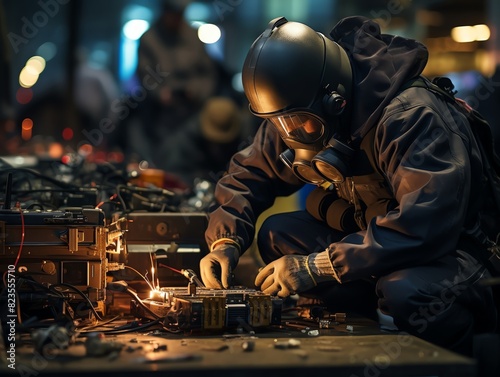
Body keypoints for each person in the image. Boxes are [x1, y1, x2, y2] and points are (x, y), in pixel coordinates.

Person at [198, 15, 499, 355]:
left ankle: (449, 362)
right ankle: (361, 328)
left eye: (300, 124)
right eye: (280, 124)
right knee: (276, 233)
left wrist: (317, 267)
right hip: (380, 243)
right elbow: (247, 175)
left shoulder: (410, 116)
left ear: (336, 100)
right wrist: (225, 240)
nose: (290, 135)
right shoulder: (297, 110)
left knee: (406, 290)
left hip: (456, 253)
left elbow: (424, 225)